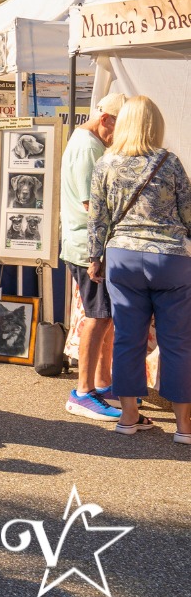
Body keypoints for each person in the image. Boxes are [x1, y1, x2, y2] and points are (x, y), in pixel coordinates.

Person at [87, 95, 191, 443]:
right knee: (177, 342)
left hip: (124, 257)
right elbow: (188, 212)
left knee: (127, 339)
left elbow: (97, 218)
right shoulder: (169, 162)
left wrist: (94, 258)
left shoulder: (106, 163)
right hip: (171, 259)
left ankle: (128, 416)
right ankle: (184, 425)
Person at [61, 94, 127, 421]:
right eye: (119, 128)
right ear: (105, 120)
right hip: (88, 248)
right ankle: (83, 391)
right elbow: (94, 207)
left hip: (89, 245)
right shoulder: (88, 147)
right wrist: (97, 254)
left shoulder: (87, 142)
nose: (120, 137)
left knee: (105, 316)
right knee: (97, 316)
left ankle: (101, 382)